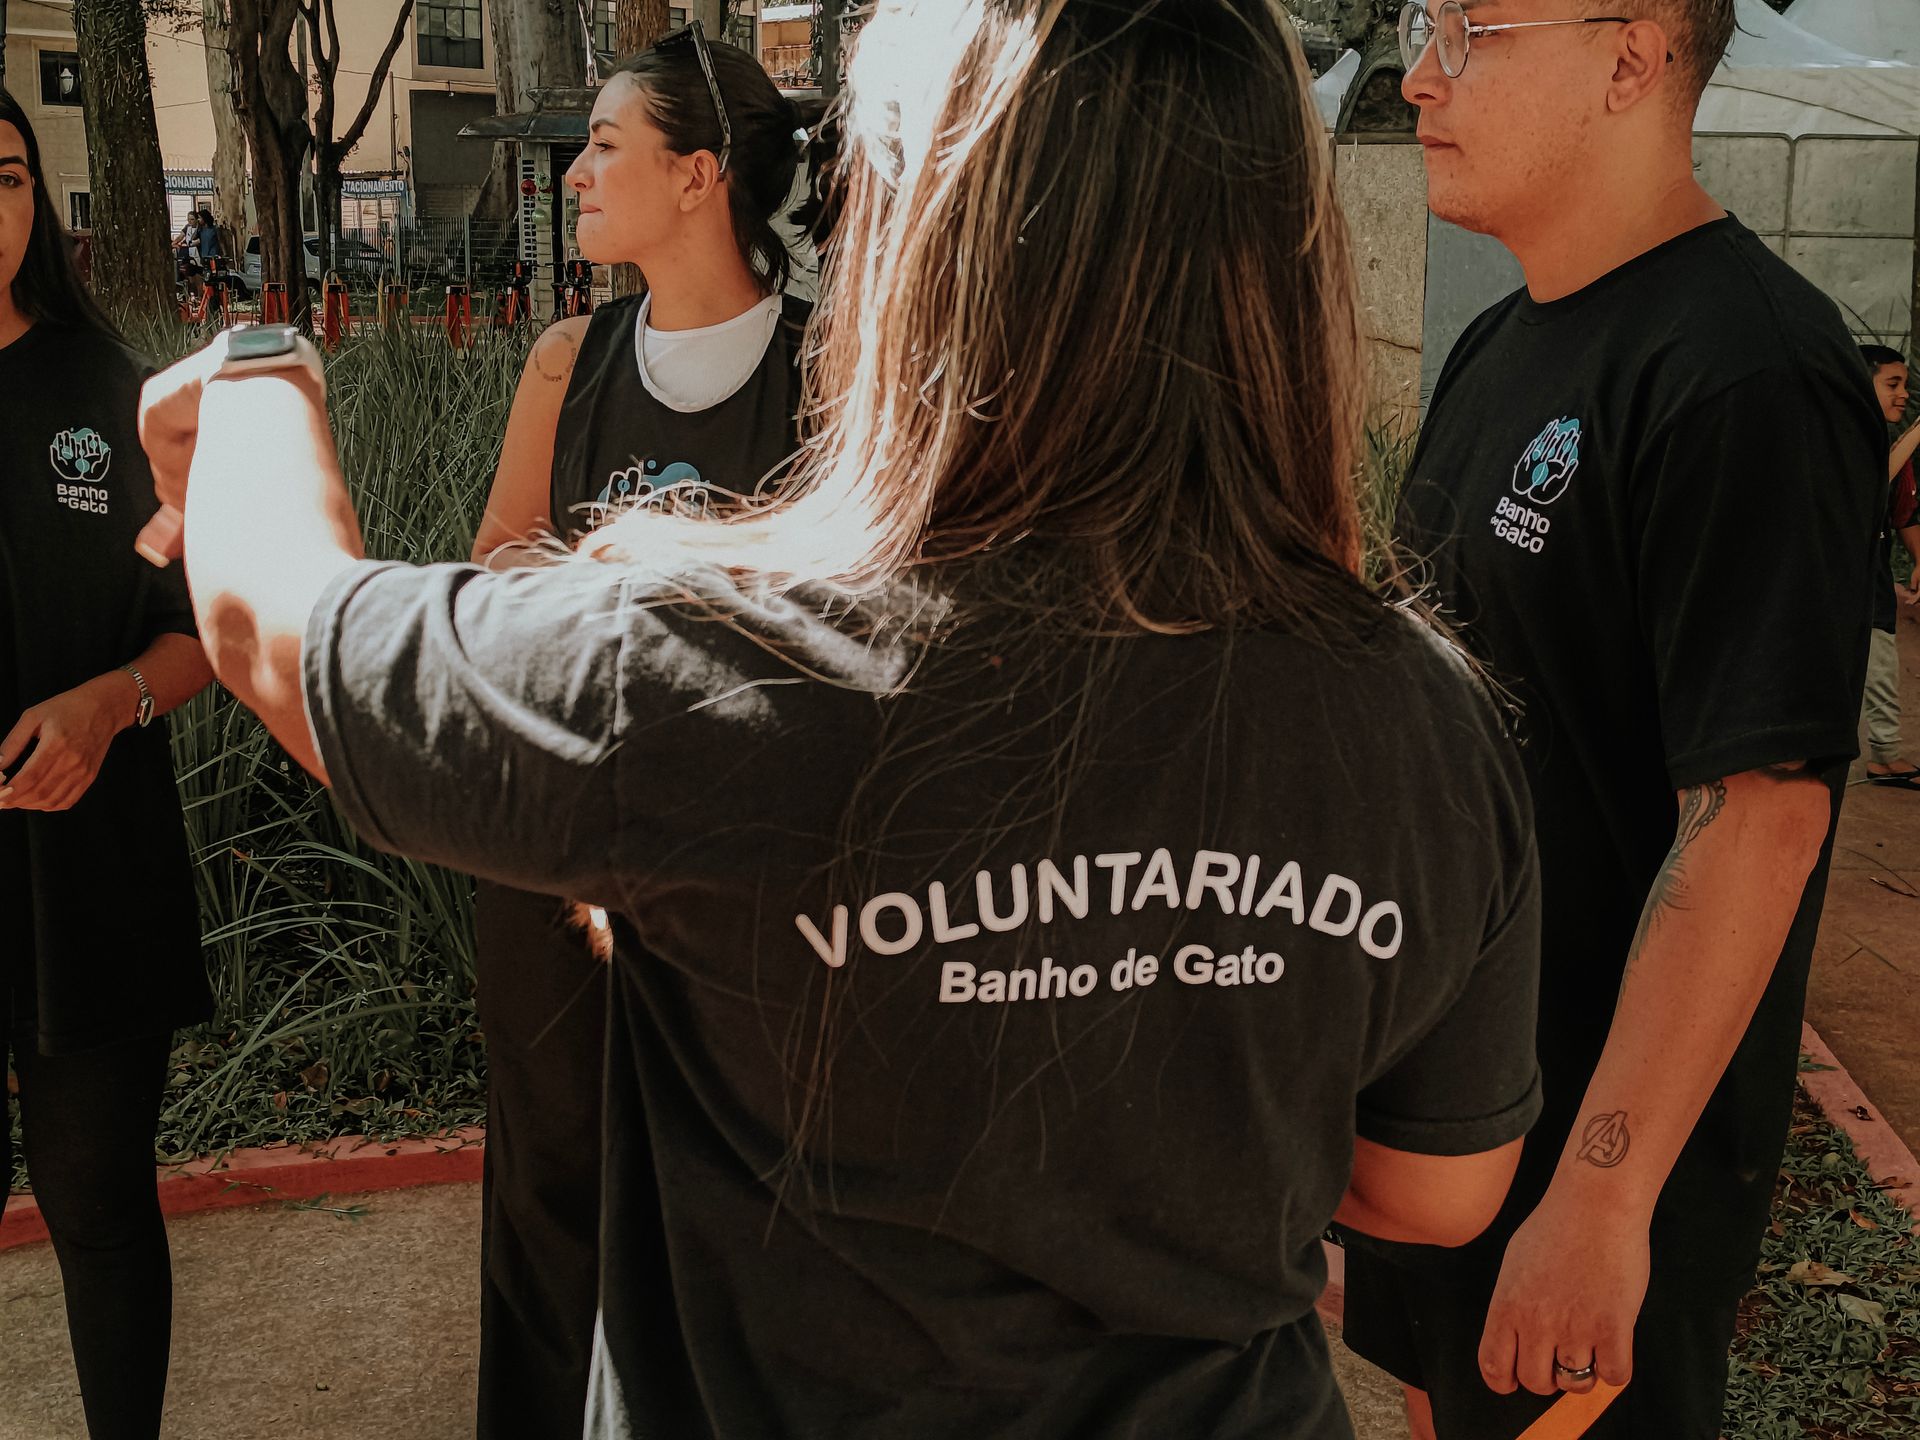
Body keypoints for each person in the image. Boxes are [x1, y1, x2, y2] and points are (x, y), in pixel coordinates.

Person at [142, 2, 1548, 1435]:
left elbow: (278, 628)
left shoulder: (718, 667)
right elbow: (1435, 1188)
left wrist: (258, 371)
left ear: (918, 244)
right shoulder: (1421, 715)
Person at [1340, 4, 1887, 1438]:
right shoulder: (1500, 344)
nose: (1420, 77)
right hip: (1457, 1125)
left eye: (1471, 31)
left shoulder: (1749, 372)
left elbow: (1760, 817)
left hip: (1579, 1172)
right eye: (1424, 27)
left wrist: (1602, 1193)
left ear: (1631, 57)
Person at [463, 25, 812, 1436]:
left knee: (741, 1193)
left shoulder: (833, 368)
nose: (577, 173)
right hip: (561, 855)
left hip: (745, 878)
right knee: (550, 1185)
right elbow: (498, 563)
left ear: (699, 175)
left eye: (607, 146)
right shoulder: (570, 358)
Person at [0, 88, 214, 1439]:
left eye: (7, 176)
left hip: (87, 859)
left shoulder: (111, 393)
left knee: (98, 1200)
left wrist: (108, 703)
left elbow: (201, 630)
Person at [1858, 343, 1920, 788]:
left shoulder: (1890, 446)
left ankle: (1884, 755)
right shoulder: (1842, 439)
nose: (1903, 394)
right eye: (1892, 384)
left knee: (1880, 663)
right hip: (1836, 581)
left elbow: (1902, 513)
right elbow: (1873, 483)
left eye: (1905, 385)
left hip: (1872, 580)